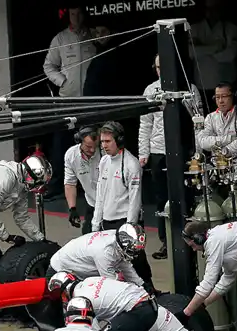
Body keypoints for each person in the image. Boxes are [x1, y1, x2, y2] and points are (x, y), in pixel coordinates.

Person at [140, 54, 204, 260]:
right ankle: (166, 242)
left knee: (187, 195)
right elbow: (145, 124)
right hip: (159, 151)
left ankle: (192, 239)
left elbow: (198, 122)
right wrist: (144, 153)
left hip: (184, 151)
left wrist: (199, 151)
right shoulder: (150, 90)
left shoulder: (189, 89)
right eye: (158, 67)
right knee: (161, 200)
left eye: (164, 66)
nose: (161, 70)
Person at [90, 121, 155, 291]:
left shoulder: (131, 164)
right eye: (102, 142)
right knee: (110, 259)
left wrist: (130, 227)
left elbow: (135, 199)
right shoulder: (104, 161)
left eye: (108, 141)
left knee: (137, 260)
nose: (104, 145)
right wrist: (95, 223)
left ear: (118, 140)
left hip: (125, 221)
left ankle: (149, 288)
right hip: (107, 221)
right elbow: (100, 194)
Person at [43, 3, 95, 199]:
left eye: (79, 13)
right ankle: (57, 185)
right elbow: (48, 66)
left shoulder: (93, 36)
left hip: (90, 100)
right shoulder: (61, 39)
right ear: (69, 15)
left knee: (90, 143)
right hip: (67, 100)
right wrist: (62, 82)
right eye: (73, 13)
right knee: (61, 145)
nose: (76, 17)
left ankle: (88, 185)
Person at [47, 225, 147, 290]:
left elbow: (124, 264)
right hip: (60, 270)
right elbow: (112, 285)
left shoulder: (116, 237)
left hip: (74, 263)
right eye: (133, 250)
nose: (136, 254)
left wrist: (141, 284)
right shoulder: (105, 252)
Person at [190, 0, 237, 100]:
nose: (212, 12)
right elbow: (191, 53)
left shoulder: (230, 29)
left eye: (215, 8)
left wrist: (202, 48)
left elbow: (230, 55)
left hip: (226, 84)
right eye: (209, 9)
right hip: (203, 84)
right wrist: (216, 47)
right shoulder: (194, 29)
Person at [195, 82, 237, 158]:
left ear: (233, 97)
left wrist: (225, 151)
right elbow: (203, 141)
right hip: (217, 166)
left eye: (224, 96)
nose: (220, 101)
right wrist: (230, 138)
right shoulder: (210, 117)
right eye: (217, 97)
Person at [63, 125, 101, 235]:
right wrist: (72, 209)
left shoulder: (106, 153)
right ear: (79, 141)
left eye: (95, 146)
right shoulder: (71, 155)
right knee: (87, 239)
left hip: (112, 206)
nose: (92, 150)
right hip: (92, 204)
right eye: (88, 146)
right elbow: (70, 183)